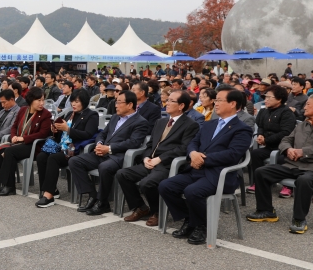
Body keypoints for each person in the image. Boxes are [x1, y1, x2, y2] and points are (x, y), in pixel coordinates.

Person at [158, 86, 252, 245]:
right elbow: (193, 142)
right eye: (216, 100)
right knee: (166, 186)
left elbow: (233, 154)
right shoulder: (210, 124)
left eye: (220, 100)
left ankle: (201, 226)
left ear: (233, 104)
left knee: (192, 191)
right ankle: (190, 219)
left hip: (218, 174)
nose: (216, 103)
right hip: (196, 170)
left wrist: (203, 159)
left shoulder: (242, 129)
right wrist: (193, 154)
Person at [117, 90, 200, 226]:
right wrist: (146, 158)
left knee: (146, 183)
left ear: (181, 106)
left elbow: (183, 148)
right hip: (151, 162)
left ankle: (157, 212)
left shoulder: (190, 124)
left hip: (167, 164)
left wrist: (160, 159)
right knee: (122, 174)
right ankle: (141, 207)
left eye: (171, 101)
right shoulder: (161, 122)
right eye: (167, 100)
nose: (167, 103)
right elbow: (150, 144)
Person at [70, 90, 149, 215]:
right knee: (75, 161)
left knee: (104, 167)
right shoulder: (115, 117)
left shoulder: (140, 122)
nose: (115, 105)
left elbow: (133, 142)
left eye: (119, 102)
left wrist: (110, 148)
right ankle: (93, 195)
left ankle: (102, 203)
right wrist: (99, 144)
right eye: (115, 102)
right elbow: (102, 133)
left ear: (129, 105)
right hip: (103, 152)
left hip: (119, 156)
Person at [247, 95, 313, 234]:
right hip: (292, 165)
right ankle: (266, 210)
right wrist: (288, 149)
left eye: (308, 105)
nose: (305, 107)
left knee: (304, 180)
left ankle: (299, 219)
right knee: (261, 172)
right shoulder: (302, 125)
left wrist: (303, 152)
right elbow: (285, 139)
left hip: (310, 169)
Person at [35, 90, 100, 208]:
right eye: (72, 102)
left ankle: (49, 196)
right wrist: (56, 130)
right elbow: (62, 135)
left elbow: (88, 134)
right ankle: (50, 189)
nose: (73, 104)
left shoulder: (91, 115)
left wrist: (68, 129)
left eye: (76, 102)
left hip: (74, 148)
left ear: (84, 102)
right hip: (62, 145)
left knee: (53, 158)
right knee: (41, 156)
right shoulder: (69, 114)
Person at [0, 87, 52, 196]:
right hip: (19, 143)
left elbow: (43, 133)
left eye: (43, 100)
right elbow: (14, 126)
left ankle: (10, 186)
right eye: (38, 100)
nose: (41, 103)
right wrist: (14, 136)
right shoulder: (23, 110)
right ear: (31, 100)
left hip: (34, 146)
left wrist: (24, 138)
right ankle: (3, 183)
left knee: (10, 152)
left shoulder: (45, 114)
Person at [246, 84, 297, 197]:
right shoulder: (264, 111)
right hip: (269, 146)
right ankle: (257, 182)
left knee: (282, 159)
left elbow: (286, 133)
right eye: (265, 97)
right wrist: (260, 135)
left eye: (269, 97)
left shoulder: (286, 112)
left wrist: (266, 140)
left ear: (279, 99)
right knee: (255, 154)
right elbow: (260, 126)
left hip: (283, 147)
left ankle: (287, 186)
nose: (266, 100)